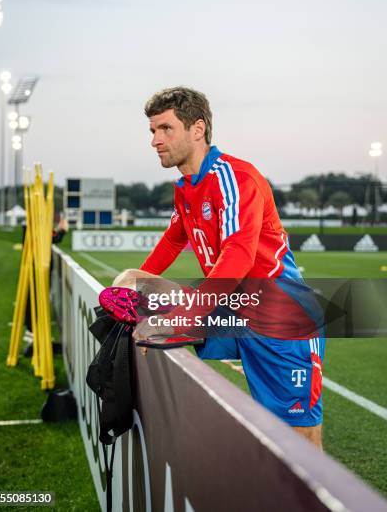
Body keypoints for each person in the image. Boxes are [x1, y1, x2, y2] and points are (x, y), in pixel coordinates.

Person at [113, 87, 324, 449]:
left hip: (280, 317)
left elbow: (237, 259)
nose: (155, 141)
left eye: (165, 129)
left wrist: (179, 321)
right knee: (134, 283)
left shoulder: (235, 178)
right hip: (235, 307)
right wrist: (132, 289)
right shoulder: (187, 188)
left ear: (197, 129)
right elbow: (172, 242)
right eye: (152, 131)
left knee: (297, 440)